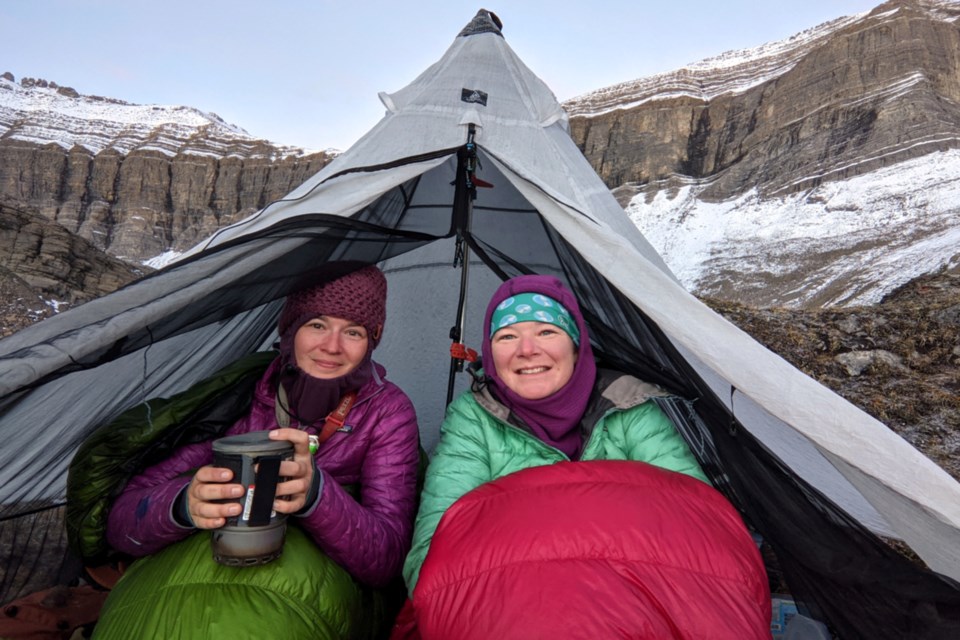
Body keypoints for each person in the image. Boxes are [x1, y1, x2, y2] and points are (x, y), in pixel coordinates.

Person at [397, 274, 770, 639]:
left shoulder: (632, 406)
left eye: (546, 332)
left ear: (576, 345)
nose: (527, 350)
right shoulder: (472, 419)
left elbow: (699, 526)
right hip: (522, 609)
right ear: (491, 354)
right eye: (507, 336)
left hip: (638, 606)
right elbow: (434, 550)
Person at [94, 264, 420, 639]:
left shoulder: (385, 411)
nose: (332, 346)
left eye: (353, 331)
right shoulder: (240, 398)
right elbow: (121, 524)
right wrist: (185, 504)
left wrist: (317, 495)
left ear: (371, 341)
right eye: (317, 324)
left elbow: (388, 560)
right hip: (191, 573)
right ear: (290, 328)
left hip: (302, 592)